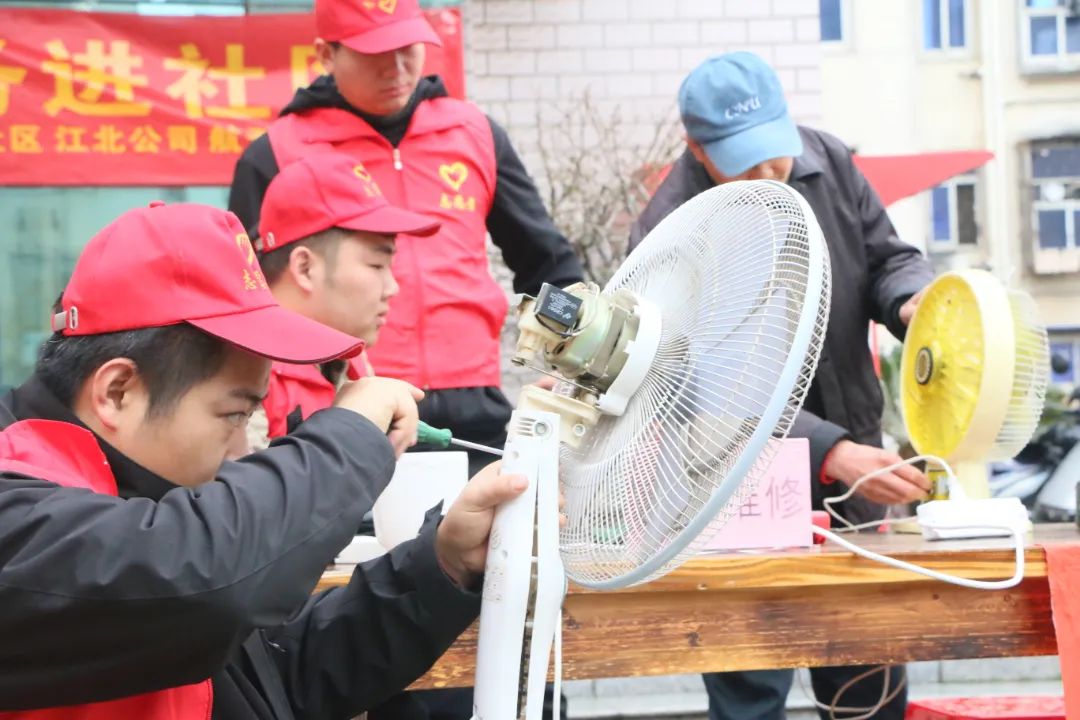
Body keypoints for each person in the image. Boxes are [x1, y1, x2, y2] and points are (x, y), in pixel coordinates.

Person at [0, 201, 528, 719]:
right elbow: (199, 581)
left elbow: (275, 677)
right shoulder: (19, 510)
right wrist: (349, 435)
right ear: (117, 392)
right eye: (233, 415)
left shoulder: (133, 492)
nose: (240, 447)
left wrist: (443, 563)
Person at [630, 52, 935, 720]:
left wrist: (912, 300)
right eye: (746, 164)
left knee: (866, 667)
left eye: (775, 153)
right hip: (732, 478)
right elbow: (693, 384)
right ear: (697, 150)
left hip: (858, 458)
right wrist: (828, 449)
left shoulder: (829, 161)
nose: (771, 175)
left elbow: (889, 260)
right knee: (750, 679)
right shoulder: (667, 231)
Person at [228, 0, 584, 478]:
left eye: (407, 48)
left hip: (476, 403)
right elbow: (248, 298)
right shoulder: (278, 152)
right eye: (375, 53)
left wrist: (572, 360)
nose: (396, 69)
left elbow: (547, 262)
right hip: (350, 408)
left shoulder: (472, 133)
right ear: (327, 54)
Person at [247, 151, 439, 450]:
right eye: (377, 265)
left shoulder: (347, 358)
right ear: (305, 268)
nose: (392, 288)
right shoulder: (237, 373)